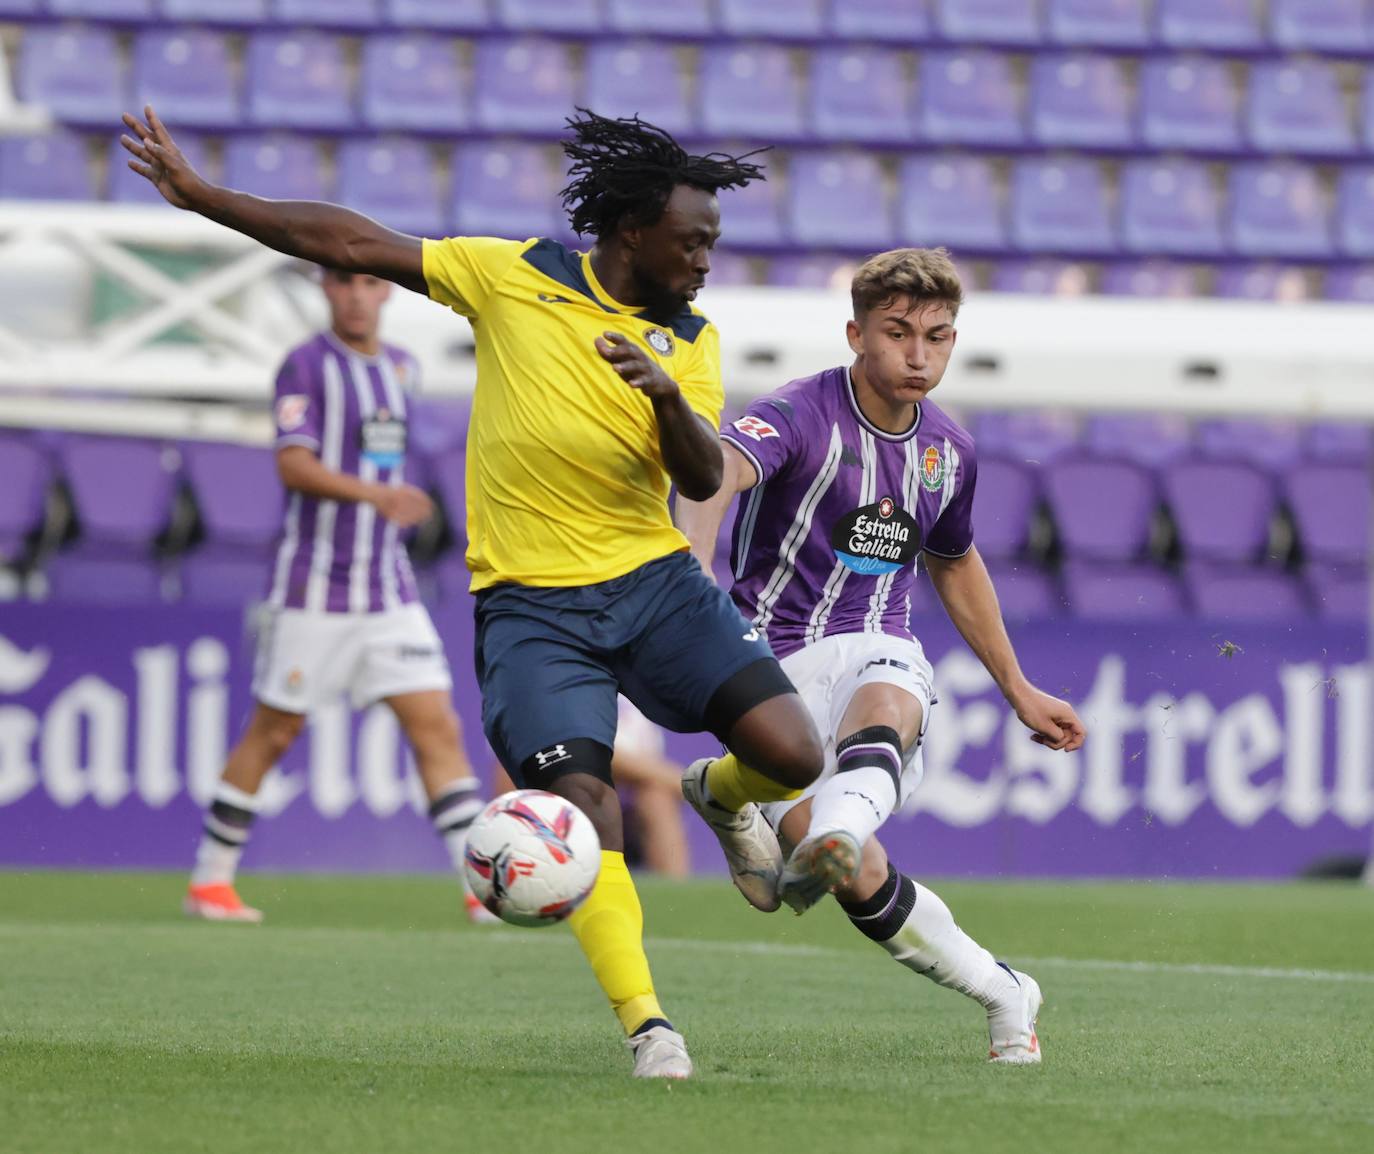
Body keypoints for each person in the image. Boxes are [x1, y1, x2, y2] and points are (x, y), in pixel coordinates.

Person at [121, 105, 826, 1079]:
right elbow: (350, 239)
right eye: (693, 239)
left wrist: (662, 395)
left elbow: (703, 478)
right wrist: (205, 196)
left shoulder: (688, 340)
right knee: (586, 806)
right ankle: (649, 1025)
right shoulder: (513, 276)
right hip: (534, 612)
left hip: (655, 586)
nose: (707, 257)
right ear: (633, 231)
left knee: (794, 753)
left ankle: (717, 792)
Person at [676, 248, 1088, 1064]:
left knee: (890, 689)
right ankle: (1002, 982)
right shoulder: (798, 412)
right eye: (899, 333)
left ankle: (822, 836)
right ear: (856, 332)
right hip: (768, 664)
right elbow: (711, 473)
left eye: (937, 337)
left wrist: (1017, 687)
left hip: (876, 645)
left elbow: (955, 559)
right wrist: (693, 573)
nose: (918, 355)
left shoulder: (949, 451)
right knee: (860, 878)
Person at [184, 267, 495, 926]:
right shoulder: (303, 366)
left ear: (386, 292)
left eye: (367, 283)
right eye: (342, 282)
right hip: (314, 587)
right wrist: (377, 495)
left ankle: (478, 888)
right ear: (325, 289)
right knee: (274, 731)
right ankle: (210, 881)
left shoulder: (405, 369)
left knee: (436, 724)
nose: (355, 294)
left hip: (388, 589)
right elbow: (291, 462)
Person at [491, 697, 691, 877]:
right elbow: (587, 754)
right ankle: (509, 861)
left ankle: (676, 895)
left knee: (656, 797)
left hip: (626, 815)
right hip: (565, 807)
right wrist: (678, 779)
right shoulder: (553, 689)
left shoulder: (632, 694)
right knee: (513, 770)